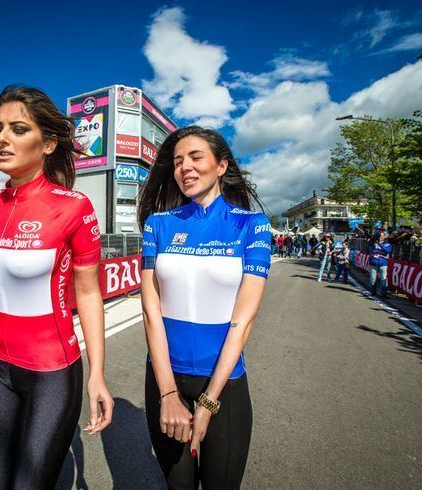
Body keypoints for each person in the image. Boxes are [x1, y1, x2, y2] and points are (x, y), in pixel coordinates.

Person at [0, 85, 114, 490]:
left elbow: (88, 294)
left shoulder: (74, 206)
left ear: (47, 143)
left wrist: (97, 374)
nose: (2, 139)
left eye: (17, 129)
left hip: (51, 371)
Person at [138, 126, 271, 489]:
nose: (185, 167)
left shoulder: (252, 226)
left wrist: (209, 402)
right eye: (178, 161)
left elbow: (242, 322)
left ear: (221, 165)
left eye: (196, 157)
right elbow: (151, 312)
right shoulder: (158, 224)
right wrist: (168, 395)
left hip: (224, 386)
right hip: (165, 382)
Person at [368, 230, 392, 297]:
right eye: (379, 236)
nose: (380, 237)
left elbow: (388, 250)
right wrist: (372, 241)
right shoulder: (373, 243)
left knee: (383, 279)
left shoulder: (387, 244)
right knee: (372, 280)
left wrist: (379, 244)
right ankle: (373, 292)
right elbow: (369, 250)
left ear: (384, 237)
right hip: (373, 264)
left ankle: (384, 294)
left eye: (381, 236)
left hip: (383, 264)